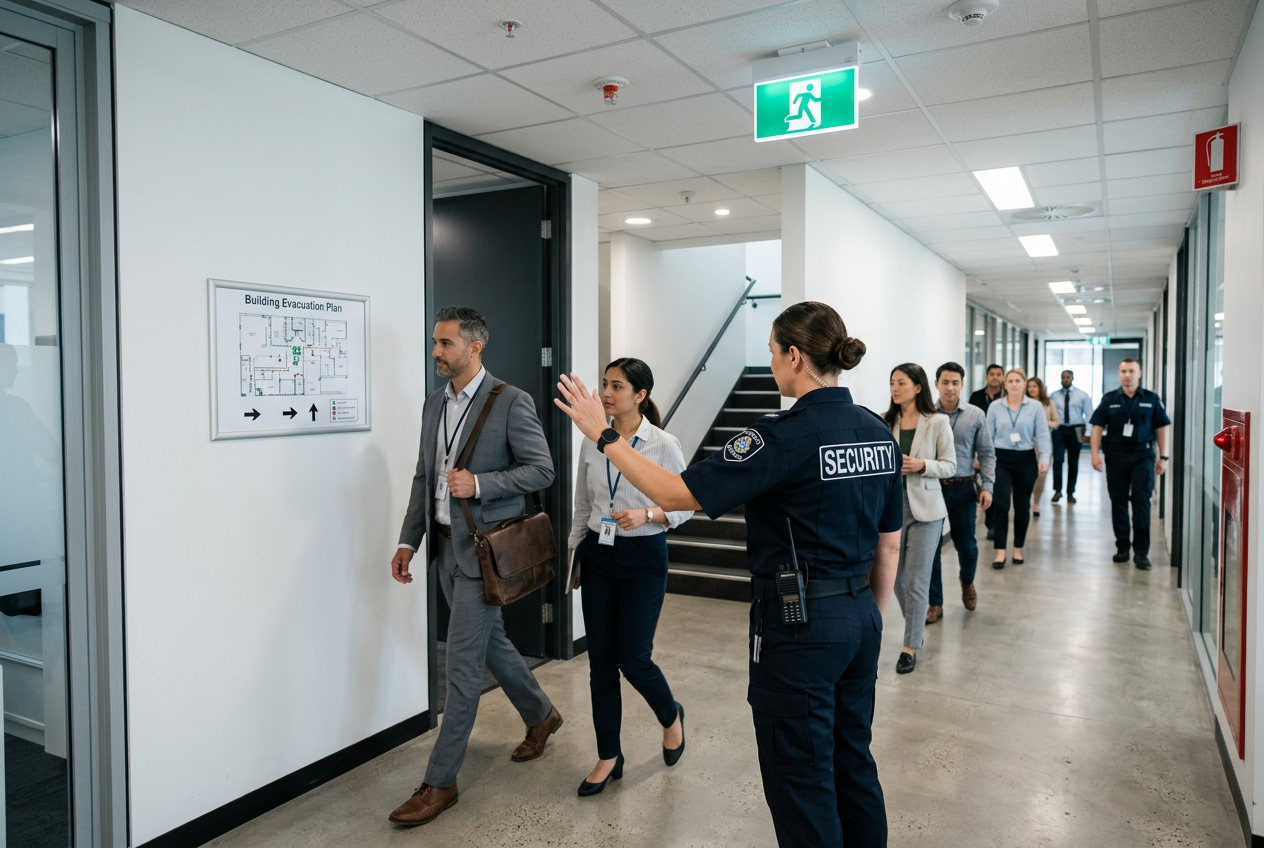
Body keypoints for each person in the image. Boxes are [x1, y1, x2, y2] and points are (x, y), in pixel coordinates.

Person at [555, 301, 901, 847]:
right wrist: (865, 621)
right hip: (858, 616)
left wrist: (604, 435)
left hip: (801, 624)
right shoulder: (878, 433)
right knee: (851, 760)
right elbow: (889, 545)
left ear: (794, 356)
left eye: (770, 353)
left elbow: (674, 493)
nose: (769, 365)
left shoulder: (781, 435)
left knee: (801, 777)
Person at [388, 307, 561, 827]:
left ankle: (440, 782)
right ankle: (542, 714)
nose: (436, 352)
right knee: (490, 644)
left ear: (474, 347)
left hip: (485, 553)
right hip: (444, 549)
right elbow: (425, 477)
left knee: (461, 669)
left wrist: (481, 484)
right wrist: (408, 541)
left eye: (444, 343)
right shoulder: (432, 405)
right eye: (435, 343)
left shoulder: (510, 401)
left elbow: (542, 469)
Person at [567, 358, 691, 797]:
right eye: (604, 384)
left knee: (633, 658)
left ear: (639, 395)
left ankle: (670, 716)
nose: (606, 393)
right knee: (600, 661)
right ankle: (608, 754)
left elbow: (685, 504)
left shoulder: (662, 444)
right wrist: (573, 553)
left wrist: (650, 513)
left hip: (644, 556)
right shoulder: (591, 439)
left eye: (616, 386)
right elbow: (583, 503)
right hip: (598, 556)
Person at [883, 364, 955, 674]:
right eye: (892, 383)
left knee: (917, 581)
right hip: (891, 511)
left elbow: (951, 465)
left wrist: (922, 464)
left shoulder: (937, 421)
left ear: (918, 387)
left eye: (901, 382)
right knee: (894, 580)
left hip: (927, 512)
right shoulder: (885, 422)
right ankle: (917, 614)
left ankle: (910, 646)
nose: (895, 388)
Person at [926, 362, 995, 624]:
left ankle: (967, 582)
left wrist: (987, 486)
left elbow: (987, 453)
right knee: (930, 548)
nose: (950, 387)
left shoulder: (976, 415)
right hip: (931, 487)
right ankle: (935, 602)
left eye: (955, 382)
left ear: (962, 384)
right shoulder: (926, 413)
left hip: (964, 487)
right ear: (936, 384)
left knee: (967, 546)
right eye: (945, 382)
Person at [1089, 358, 1170, 570]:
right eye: (1123, 371)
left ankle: (1141, 553)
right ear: (1119, 374)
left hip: (1143, 456)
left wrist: (1164, 457)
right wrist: (1095, 455)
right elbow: (1097, 427)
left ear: (1139, 373)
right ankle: (1123, 548)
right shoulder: (1109, 399)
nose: (1127, 375)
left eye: (1131, 371)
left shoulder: (1151, 399)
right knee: (1118, 502)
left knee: (1141, 502)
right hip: (1115, 456)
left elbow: (1161, 428)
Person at [986, 368, 1051, 568]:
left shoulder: (1035, 407)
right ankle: (1000, 551)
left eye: (1018, 381)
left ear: (1024, 384)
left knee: (1022, 506)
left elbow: (1042, 434)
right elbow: (987, 436)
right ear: (1005, 385)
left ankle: (1017, 548)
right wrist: (983, 459)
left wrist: (1045, 458)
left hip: (1026, 459)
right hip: (1001, 458)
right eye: (1010, 381)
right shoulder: (995, 407)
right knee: (1002, 504)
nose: (1014, 384)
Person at [969, 363, 1004, 539]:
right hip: (981, 448)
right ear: (986, 377)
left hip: (1001, 448)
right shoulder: (976, 397)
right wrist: (975, 455)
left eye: (999, 374)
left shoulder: (1007, 397)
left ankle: (993, 525)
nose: (995, 377)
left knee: (996, 488)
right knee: (984, 487)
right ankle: (990, 523)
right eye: (992, 374)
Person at [1050, 370, 1093, 504]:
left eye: (1068, 377)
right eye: (1063, 377)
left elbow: (1089, 414)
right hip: (1059, 429)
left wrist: (1088, 433)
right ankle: (1057, 491)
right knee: (1058, 460)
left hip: (1076, 429)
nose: (1065, 379)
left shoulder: (1082, 395)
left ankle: (1070, 492)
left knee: (1073, 462)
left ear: (1072, 378)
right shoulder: (1054, 396)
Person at [1026, 377, 1059, 518]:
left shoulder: (1048, 403)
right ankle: (1025, 501)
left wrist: (1043, 423)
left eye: (1035, 386)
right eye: (1029, 386)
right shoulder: (1024, 403)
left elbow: (1056, 422)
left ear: (1040, 388)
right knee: (1026, 476)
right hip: (1027, 443)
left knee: (1041, 476)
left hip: (1043, 444)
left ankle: (1036, 503)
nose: (1032, 389)